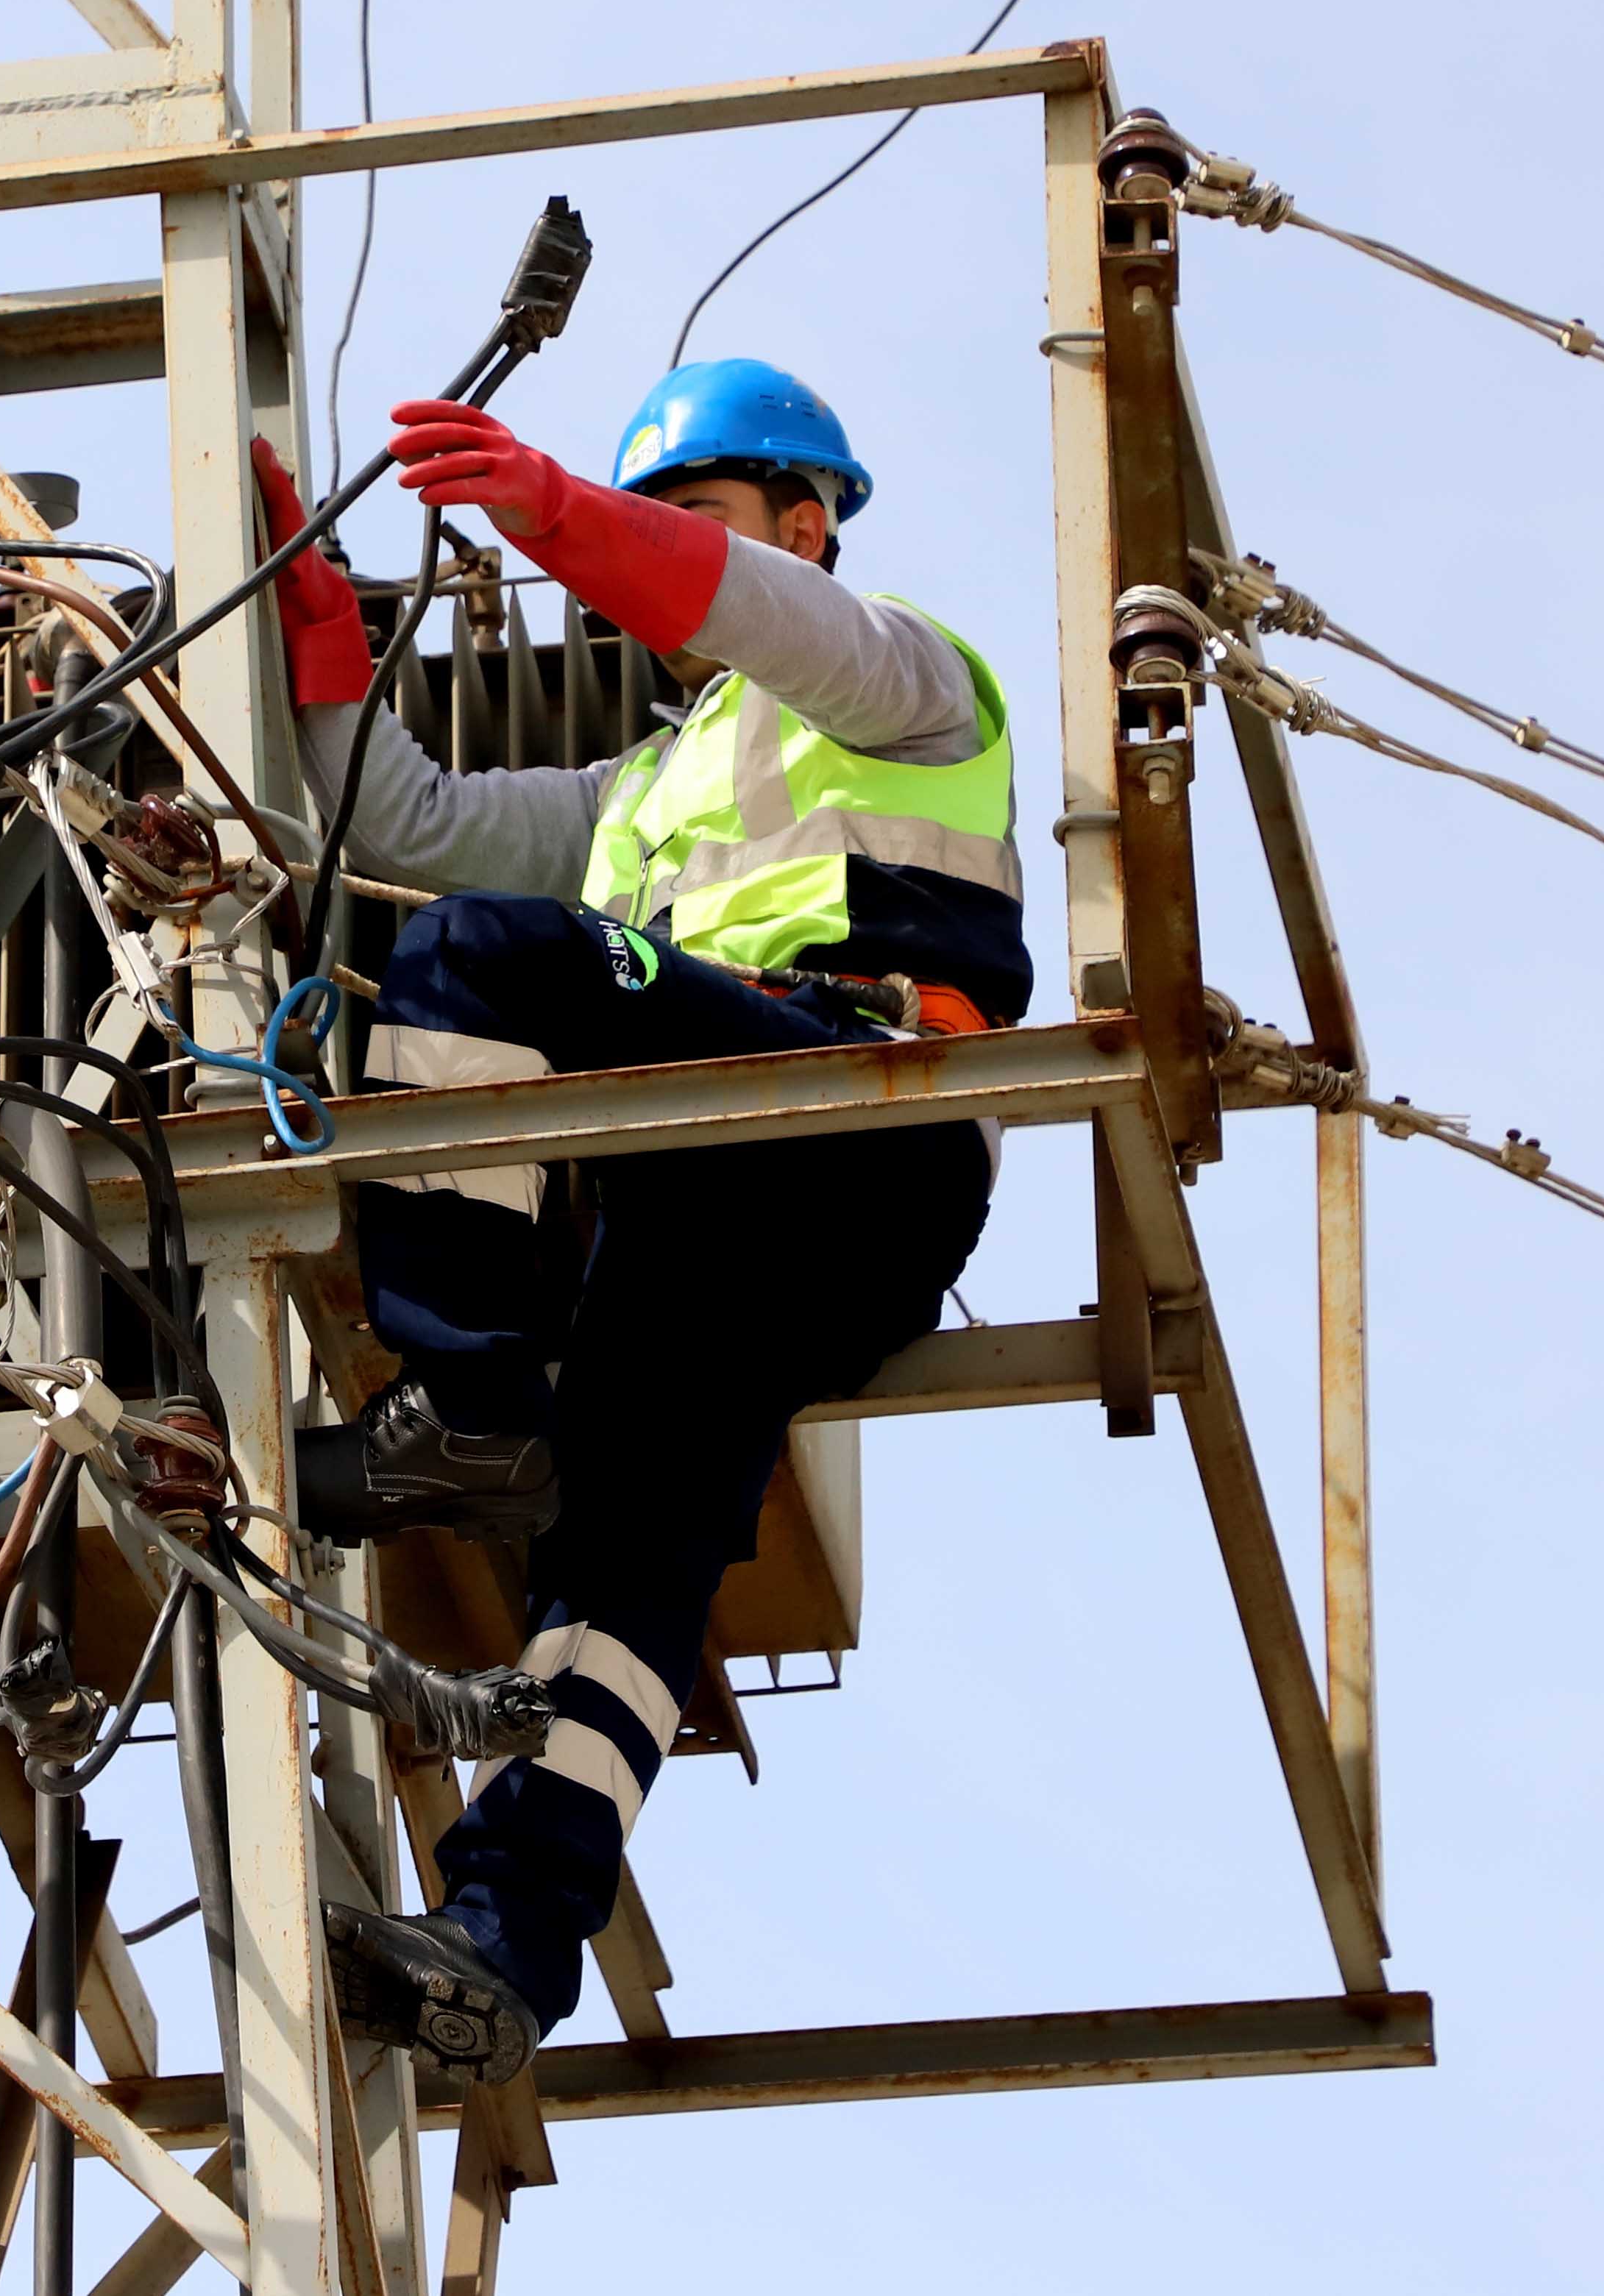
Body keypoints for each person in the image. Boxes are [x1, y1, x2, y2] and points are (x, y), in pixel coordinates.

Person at [241, 358, 1032, 2083]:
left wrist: (553, 512)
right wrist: (314, 635)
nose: (664, 556)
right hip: (708, 1218)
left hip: (858, 1120)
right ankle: (506, 1943)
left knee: (466, 963)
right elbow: (404, 822)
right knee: (624, 1565)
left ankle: (464, 1405)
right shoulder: (641, 789)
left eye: (701, 510)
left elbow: (745, 609)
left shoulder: (904, 675)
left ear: (802, 521)